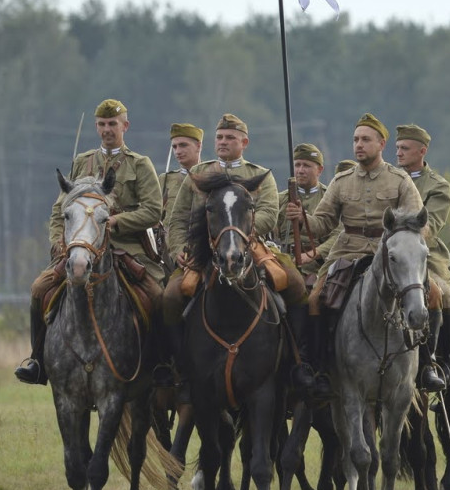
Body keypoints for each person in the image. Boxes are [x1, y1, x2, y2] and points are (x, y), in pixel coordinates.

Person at [16, 98, 163, 384]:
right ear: (97, 127)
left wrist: (118, 221)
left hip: (126, 248)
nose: (107, 130)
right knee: (38, 290)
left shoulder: (140, 164)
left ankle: (161, 363)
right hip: (81, 247)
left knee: (158, 297)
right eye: (102, 125)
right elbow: (61, 208)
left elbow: (153, 210)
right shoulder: (82, 162)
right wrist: (59, 241)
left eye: (113, 124)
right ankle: (37, 360)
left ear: (125, 126)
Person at [286, 114, 424, 398]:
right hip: (347, 251)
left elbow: (416, 224)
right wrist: (303, 218)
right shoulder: (341, 181)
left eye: (365, 140)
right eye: (355, 140)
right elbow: (323, 222)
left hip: (388, 254)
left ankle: (430, 364)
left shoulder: (400, 181)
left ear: (381, 144)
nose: (358, 145)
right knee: (314, 299)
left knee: (433, 296)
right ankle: (318, 366)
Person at [161, 113, 302, 349]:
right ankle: (176, 362)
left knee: (293, 281)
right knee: (171, 296)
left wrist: (238, 231)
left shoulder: (261, 176)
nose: (223, 142)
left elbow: (269, 213)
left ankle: (299, 356)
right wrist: (177, 249)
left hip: (251, 245)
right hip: (203, 248)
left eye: (229, 137)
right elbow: (177, 219)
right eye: (219, 137)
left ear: (244, 143)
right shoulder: (198, 174)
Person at [395, 123, 450, 392]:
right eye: (397, 147)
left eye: (405, 148)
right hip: (388, 251)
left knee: (438, 293)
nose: (398, 153)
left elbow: (430, 225)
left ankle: (435, 360)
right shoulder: (388, 177)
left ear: (421, 151)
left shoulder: (438, 186)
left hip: (426, 254)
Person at [274, 143, 339, 278]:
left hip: (319, 267)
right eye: (297, 165)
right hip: (284, 265)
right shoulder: (280, 200)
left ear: (320, 170)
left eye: (307, 166)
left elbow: (338, 236)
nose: (300, 170)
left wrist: (312, 255)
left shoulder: (331, 198)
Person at [157, 123, 204, 270]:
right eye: (175, 147)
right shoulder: (164, 180)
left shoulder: (210, 177)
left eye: (183, 145)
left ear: (198, 146)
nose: (178, 151)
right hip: (166, 249)